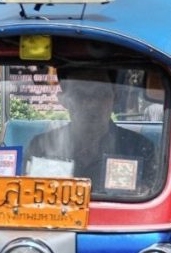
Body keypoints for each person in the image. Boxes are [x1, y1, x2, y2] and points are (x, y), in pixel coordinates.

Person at [25, 67, 159, 194]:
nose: (91, 104)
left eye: (100, 94)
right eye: (79, 94)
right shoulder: (41, 146)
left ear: (115, 97)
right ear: (63, 100)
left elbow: (150, 200)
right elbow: (28, 196)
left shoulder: (140, 149)